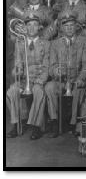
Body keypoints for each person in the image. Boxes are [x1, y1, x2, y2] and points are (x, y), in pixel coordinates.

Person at [44, 10, 86, 138]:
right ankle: (54, 122)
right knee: (49, 87)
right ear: (61, 27)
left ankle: (74, 123)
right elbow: (51, 66)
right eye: (66, 25)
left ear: (76, 26)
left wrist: (81, 78)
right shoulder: (55, 43)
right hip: (61, 80)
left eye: (72, 25)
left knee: (80, 89)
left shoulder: (84, 41)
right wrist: (56, 71)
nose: (69, 28)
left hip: (76, 79)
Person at [6, 10, 50, 140]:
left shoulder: (46, 43)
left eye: (35, 25)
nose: (32, 28)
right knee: (11, 92)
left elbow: (47, 66)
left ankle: (36, 127)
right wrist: (17, 71)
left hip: (38, 79)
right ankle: (16, 123)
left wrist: (41, 80)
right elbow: (18, 63)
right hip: (25, 80)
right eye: (29, 25)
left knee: (39, 92)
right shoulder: (20, 43)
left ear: (40, 27)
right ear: (25, 27)